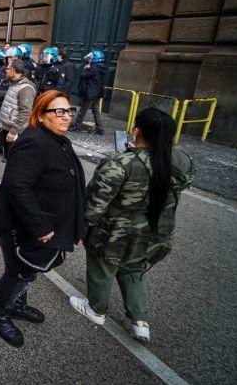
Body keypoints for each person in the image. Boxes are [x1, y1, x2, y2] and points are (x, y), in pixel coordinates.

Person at [70, 108, 194, 343]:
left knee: (103, 269)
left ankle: (96, 310)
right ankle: (140, 321)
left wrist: (82, 229)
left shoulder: (120, 163)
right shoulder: (182, 162)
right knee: (135, 270)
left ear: (136, 131)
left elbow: (95, 204)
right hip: (156, 234)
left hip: (115, 235)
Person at [0, 90, 85, 348]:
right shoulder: (34, 142)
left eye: (69, 111)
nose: (66, 117)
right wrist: (39, 226)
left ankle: (17, 303)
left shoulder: (57, 138)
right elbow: (17, 185)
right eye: (59, 112)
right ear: (41, 116)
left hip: (46, 224)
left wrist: (78, 224)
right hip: (20, 226)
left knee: (30, 270)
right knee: (19, 271)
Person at [0, 59, 36, 160]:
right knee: (8, 156)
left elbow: (26, 112)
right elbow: (9, 105)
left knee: (14, 159)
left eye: (7, 68)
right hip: (7, 128)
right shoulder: (14, 83)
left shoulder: (25, 88)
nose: (6, 70)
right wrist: (2, 123)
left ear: (13, 70)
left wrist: (14, 131)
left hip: (15, 130)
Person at [70, 50, 107, 135]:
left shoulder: (94, 68)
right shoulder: (102, 67)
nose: (89, 59)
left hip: (90, 92)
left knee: (83, 110)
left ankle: (77, 126)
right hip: (97, 92)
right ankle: (100, 129)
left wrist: (86, 69)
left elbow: (83, 75)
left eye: (91, 58)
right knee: (96, 111)